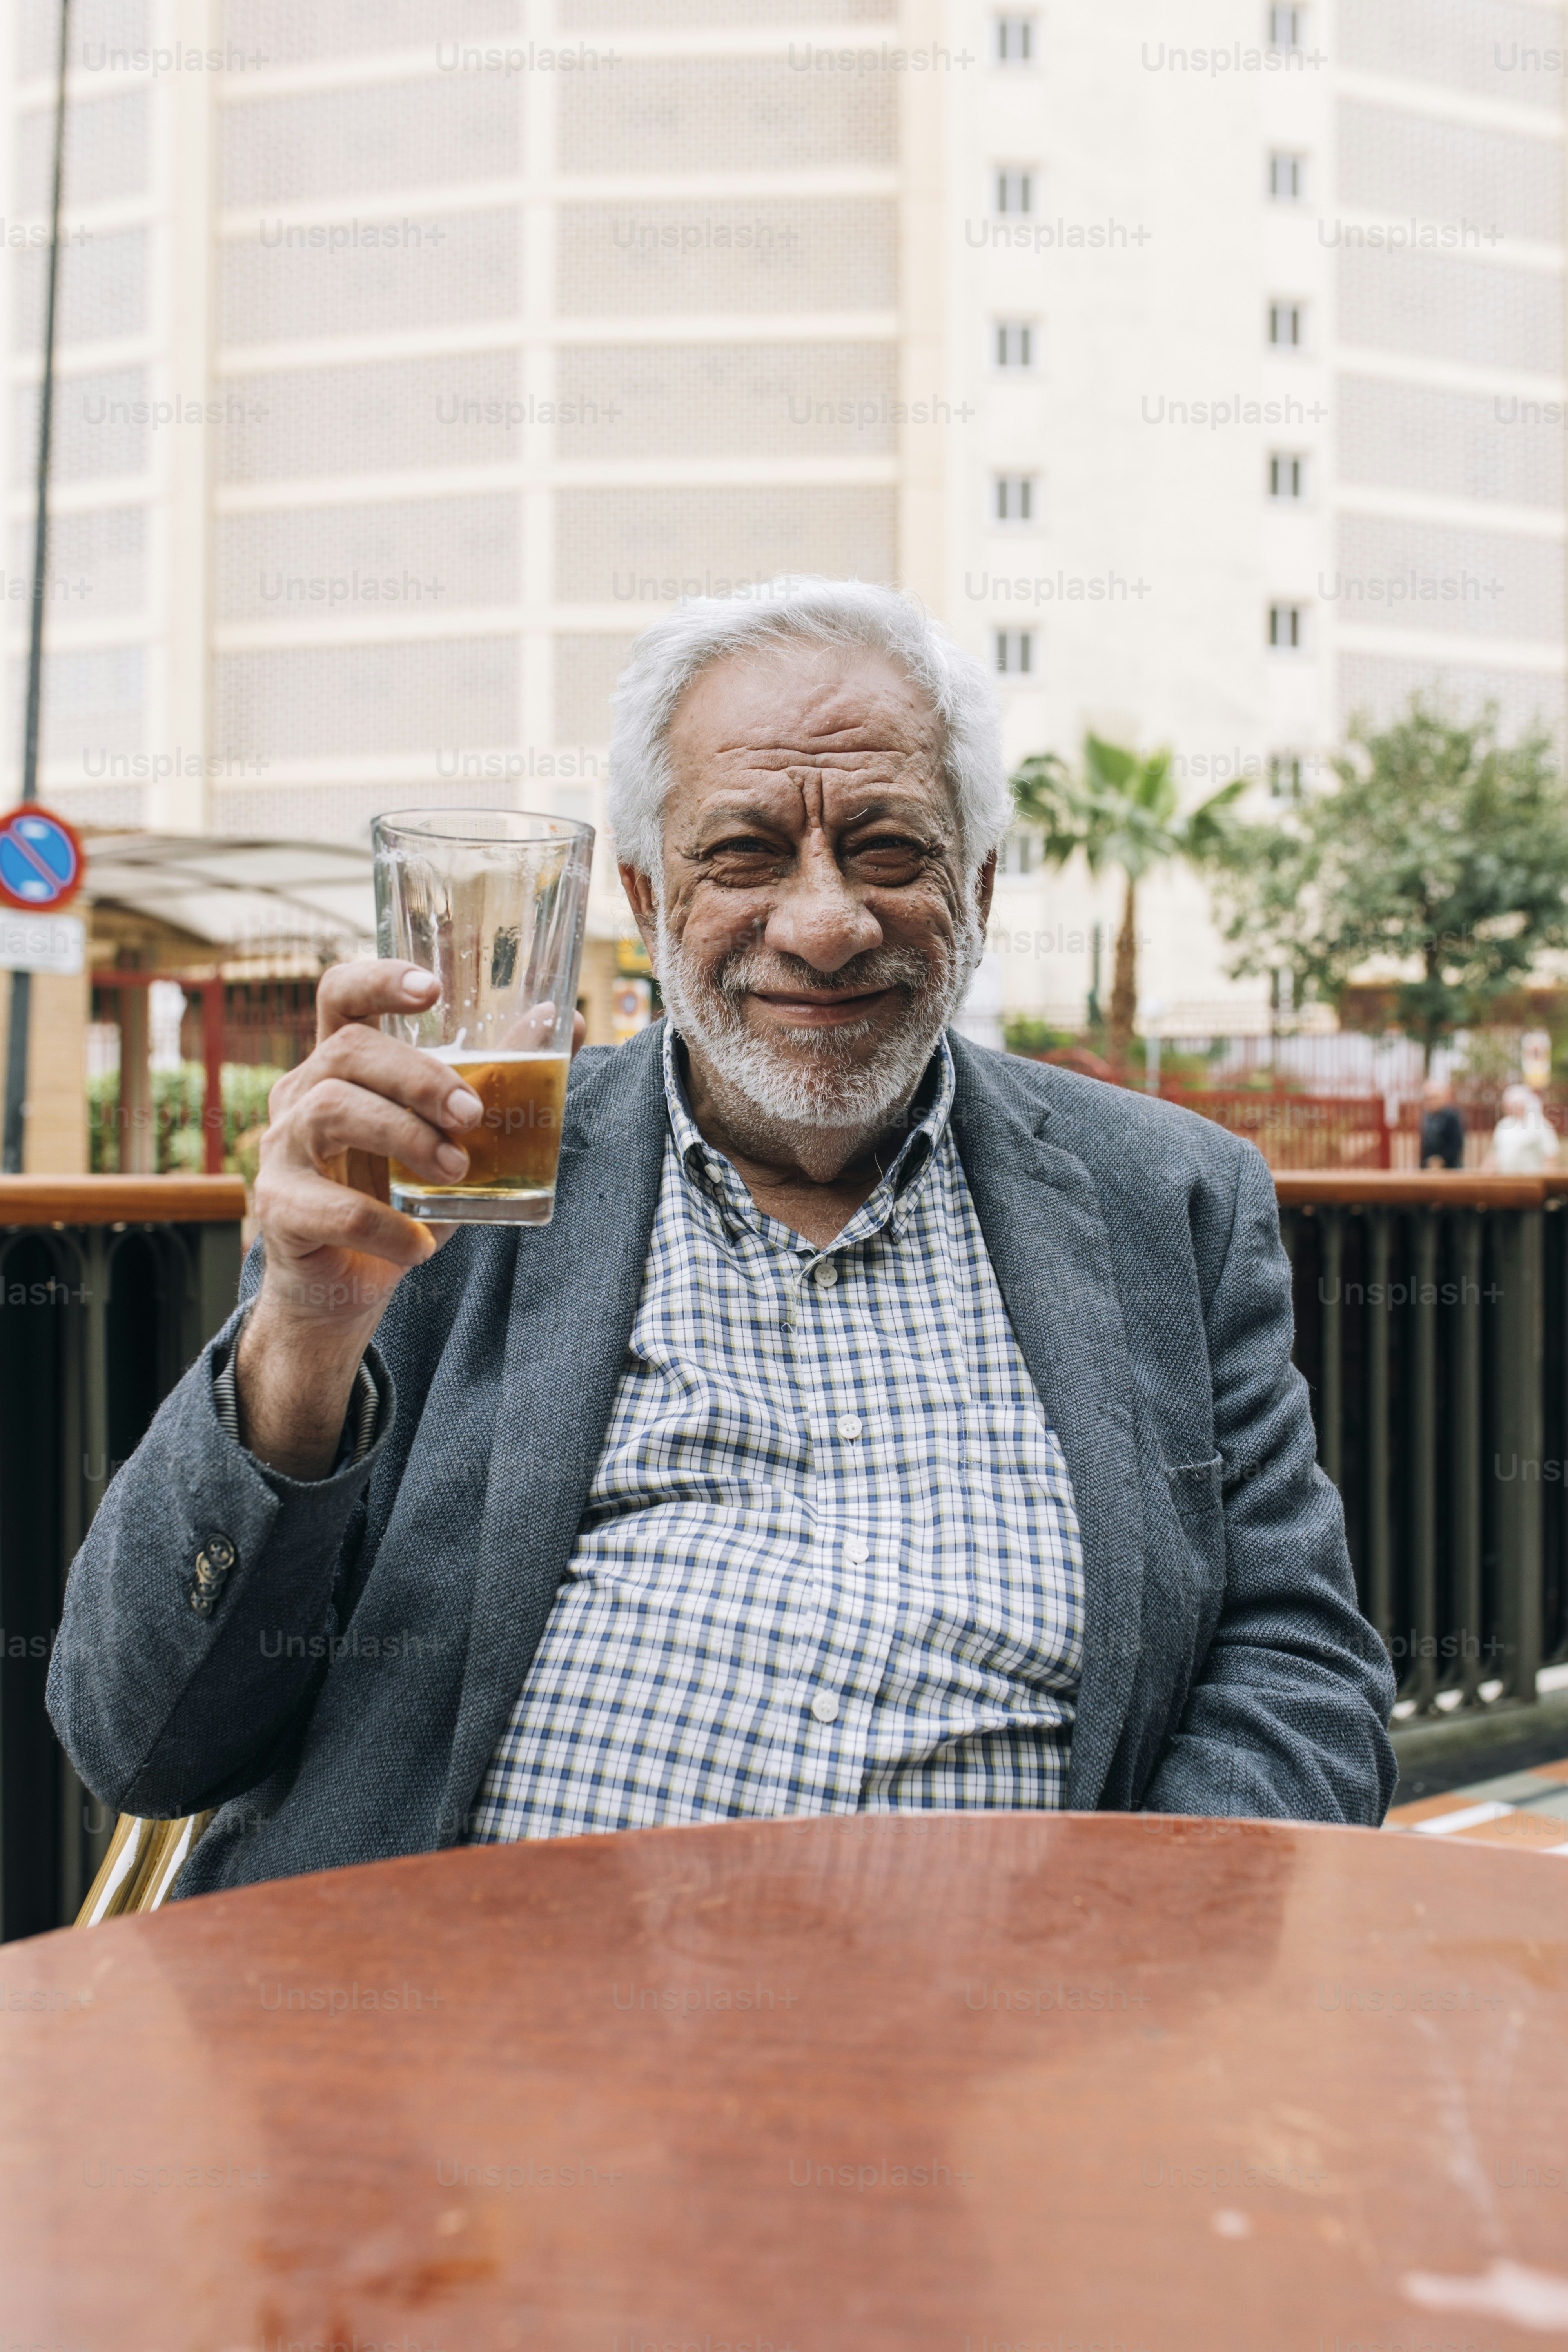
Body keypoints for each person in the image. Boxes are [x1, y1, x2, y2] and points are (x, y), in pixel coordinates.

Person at [49, 579, 1396, 1898]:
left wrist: (1124, 1955)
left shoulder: (1171, 1201)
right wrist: (301, 1337)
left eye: (888, 847)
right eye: (744, 854)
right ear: (644, 897)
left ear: (979, 884)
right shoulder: (445, 1184)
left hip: (984, 2073)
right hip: (446, 2056)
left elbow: (1294, 1664)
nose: (824, 923)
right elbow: (143, 1738)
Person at [1486, 1083, 1560, 1174]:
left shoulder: (1541, 1124)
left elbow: (1550, 1159)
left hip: (1533, 1183)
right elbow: (1493, 1156)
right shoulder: (1503, 1125)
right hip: (1508, 1183)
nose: (1507, 1108)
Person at [1419, 1077, 1465, 1171]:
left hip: (1450, 1168)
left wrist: (1441, 1160)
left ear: (1442, 1098)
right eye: (1427, 1099)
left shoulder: (1452, 1116)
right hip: (1429, 1169)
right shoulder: (1427, 1117)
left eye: (1433, 1098)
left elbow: (1457, 1144)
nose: (1430, 1102)